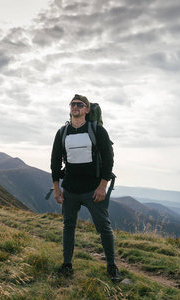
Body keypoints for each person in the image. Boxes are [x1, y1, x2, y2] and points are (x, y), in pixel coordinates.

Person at [50, 94, 120, 282]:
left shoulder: (97, 131)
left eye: (80, 104)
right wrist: (57, 188)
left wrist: (102, 186)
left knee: (104, 228)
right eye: (73, 104)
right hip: (70, 189)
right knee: (68, 226)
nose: (75, 107)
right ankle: (67, 264)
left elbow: (108, 160)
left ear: (87, 110)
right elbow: (55, 162)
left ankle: (112, 266)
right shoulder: (62, 133)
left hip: (94, 189)